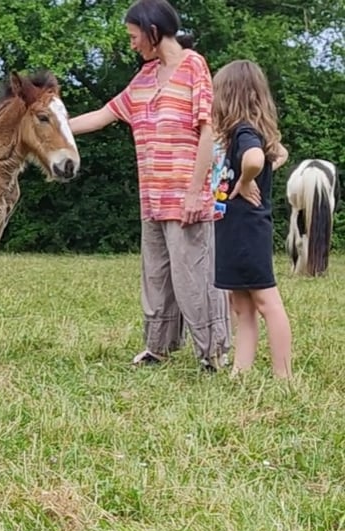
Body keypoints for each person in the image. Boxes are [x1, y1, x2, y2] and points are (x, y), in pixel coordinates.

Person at [68, 0, 230, 372]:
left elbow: (208, 132)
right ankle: (158, 347)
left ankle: (213, 353)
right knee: (156, 276)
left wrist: (195, 192)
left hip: (186, 196)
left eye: (133, 35)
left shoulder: (193, 66)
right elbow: (104, 115)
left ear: (152, 31)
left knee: (194, 277)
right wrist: (52, 127)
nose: (131, 43)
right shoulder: (143, 78)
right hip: (152, 198)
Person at [211, 60, 292, 378]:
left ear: (230, 95)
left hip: (247, 230)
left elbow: (256, 159)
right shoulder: (241, 133)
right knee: (241, 305)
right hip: (232, 230)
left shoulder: (244, 130)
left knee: (266, 302)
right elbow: (279, 154)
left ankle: (284, 376)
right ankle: (240, 373)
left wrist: (246, 180)